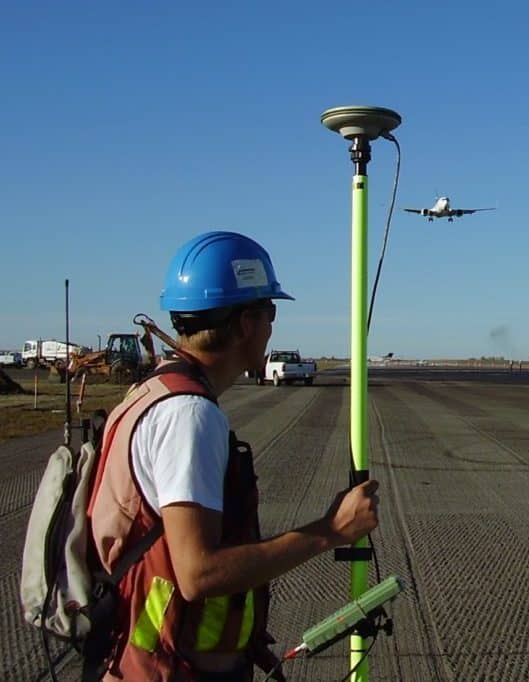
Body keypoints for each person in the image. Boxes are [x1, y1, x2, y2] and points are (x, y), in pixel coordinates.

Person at [87, 231, 379, 681]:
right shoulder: (189, 417)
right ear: (244, 323)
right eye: (270, 313)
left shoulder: (153, 392)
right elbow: (198, 574)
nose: (271, 328)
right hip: (167, 671)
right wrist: (332, 530)